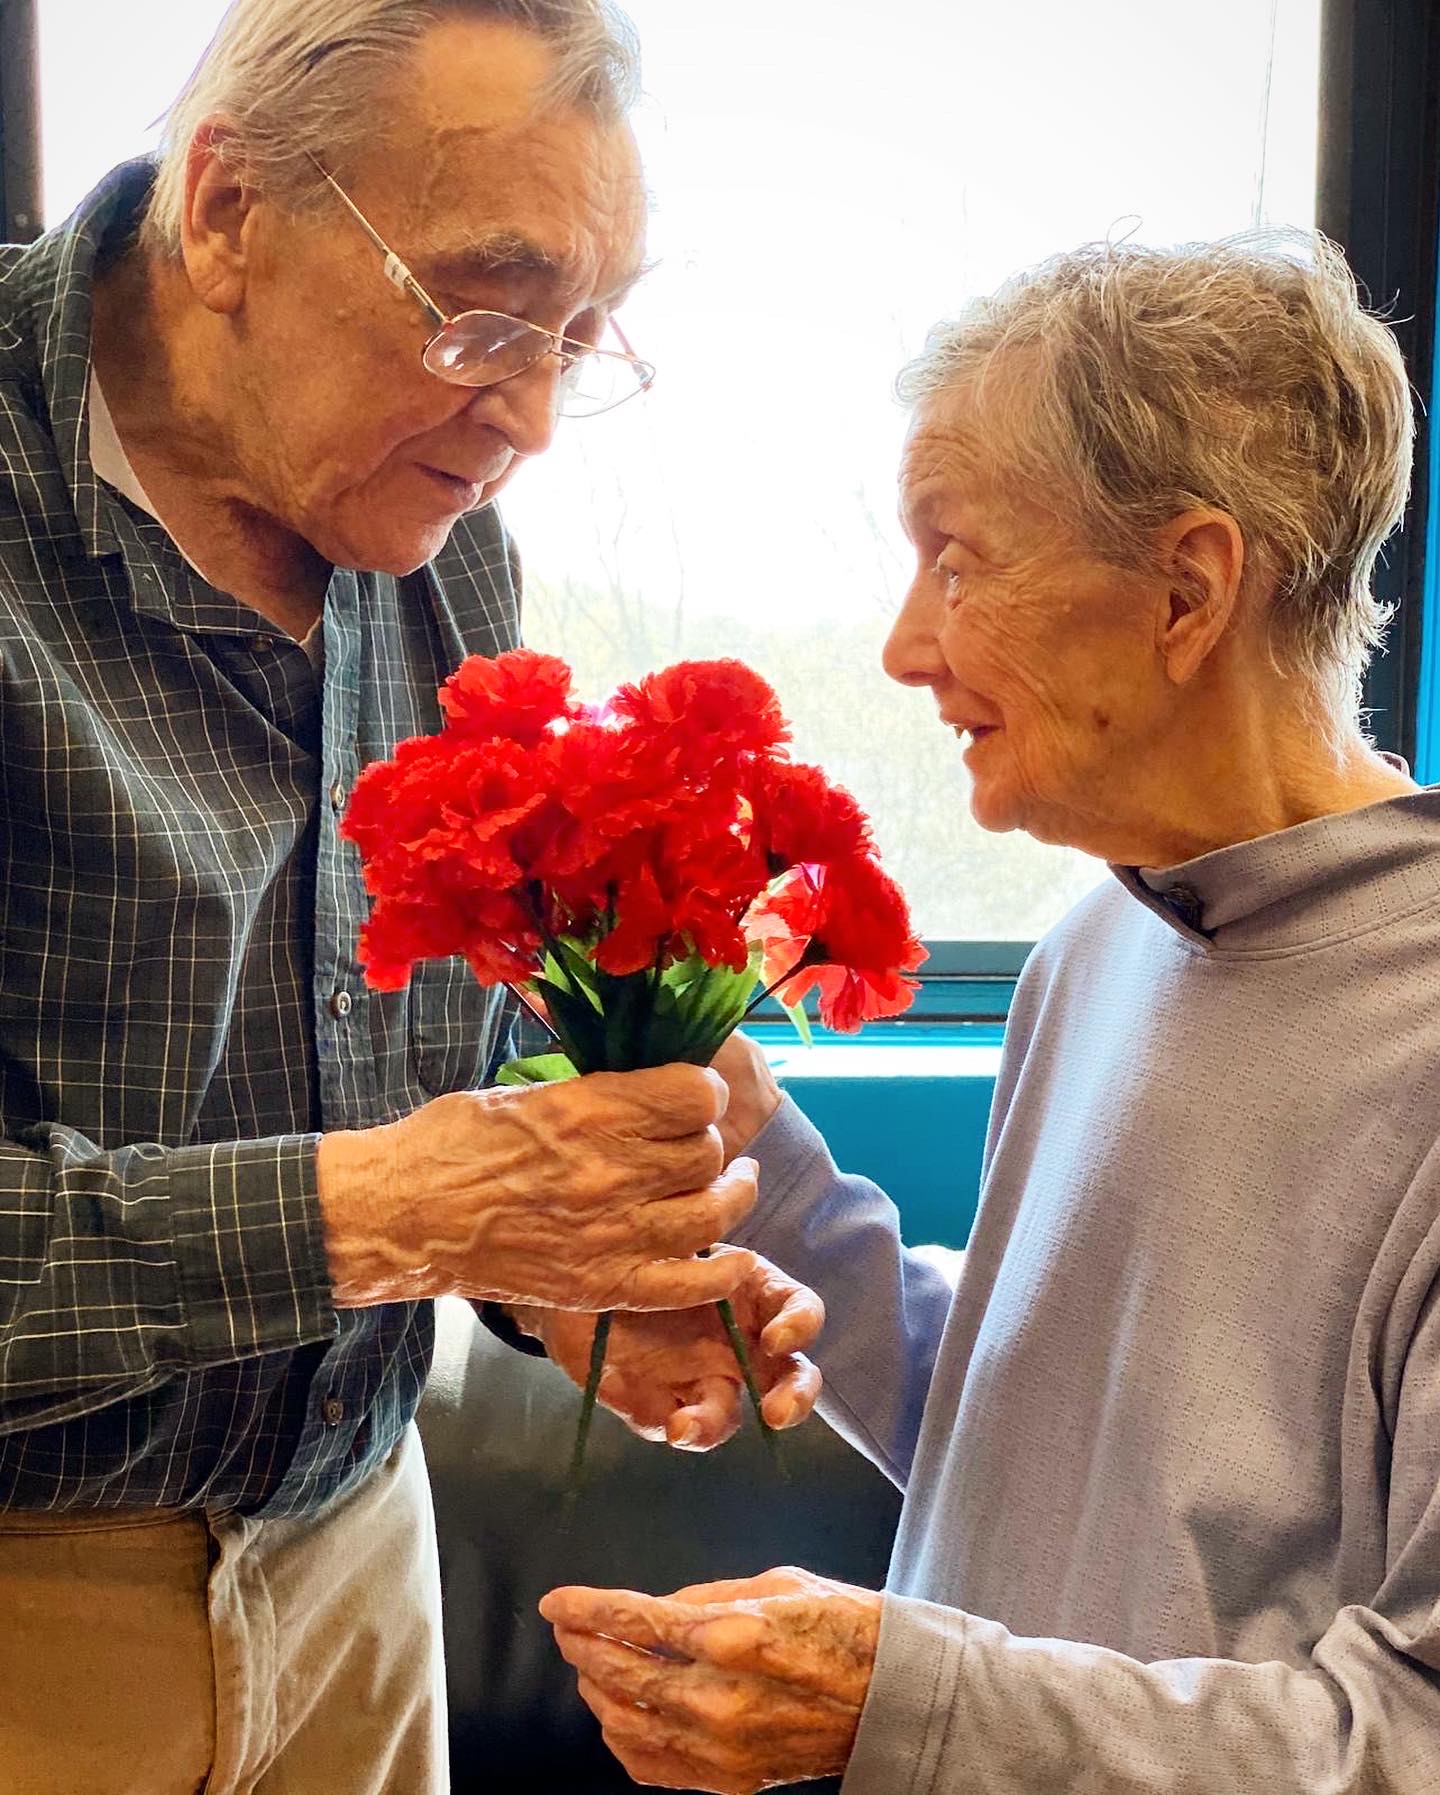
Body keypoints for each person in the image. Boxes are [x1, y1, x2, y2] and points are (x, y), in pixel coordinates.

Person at [0, 4, 821, 1791]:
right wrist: (392, 1214)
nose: (529, 419)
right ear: (227, 211)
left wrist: (563, 1274)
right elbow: (384, 1190)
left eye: (577, 343)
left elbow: (412, 1067)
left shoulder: (435, 539)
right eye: (481, 315)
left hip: (358, 1561)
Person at [541, 231, 1440, 1792]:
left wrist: (908, 1704)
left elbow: (1413, 1734)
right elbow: (1036, 1443)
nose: (905, 648)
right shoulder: (1095, 949)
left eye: (957, 563)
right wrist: (770, 1176)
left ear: (1187, 590)